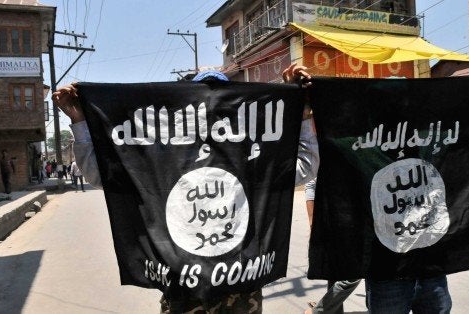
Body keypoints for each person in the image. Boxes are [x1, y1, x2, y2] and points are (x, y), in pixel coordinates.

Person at [52, 67, 319, 313]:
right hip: (182, 291)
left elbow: (305, 168)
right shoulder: (161, 160)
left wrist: (302, 109)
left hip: (240, 290)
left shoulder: (252, 158)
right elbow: (103, 175)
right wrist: (79, 120)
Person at [304, 178, 361, 314]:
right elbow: (311, 185)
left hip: (354, 222)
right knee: (354, 274)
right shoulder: (325, 157)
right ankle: (319, 311)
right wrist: (312, 222)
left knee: (336, 273)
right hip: (332, 222)